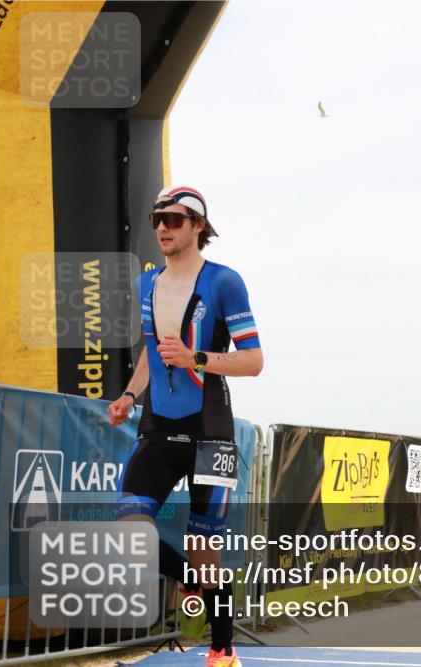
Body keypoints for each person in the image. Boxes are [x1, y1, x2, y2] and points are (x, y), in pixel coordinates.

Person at [108, 186, 263, 667]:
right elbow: (152, 356)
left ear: (198, 225)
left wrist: (197, 357)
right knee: (130, 531)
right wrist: (130, 395)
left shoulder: (224, 281)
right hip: (158, 427)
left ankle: (221, 649)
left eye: (174, 219)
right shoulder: (146, 283)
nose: (162, 227)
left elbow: (254, 361)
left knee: (205, 549)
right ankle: (191, 580)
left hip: (210, 431)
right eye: (158, 218)